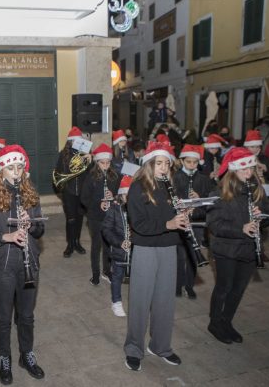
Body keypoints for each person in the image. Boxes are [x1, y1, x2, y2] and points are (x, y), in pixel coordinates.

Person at [0, 144, 45, 384]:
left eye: (20, 167)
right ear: (1, 172)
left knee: (27, 316)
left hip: (29, 264)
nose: (16, 173)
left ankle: (26, 355)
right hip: (3, 268)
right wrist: (6, 236)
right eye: (11, 168)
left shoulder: (31, 193)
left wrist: (31, 225)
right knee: (4, 318)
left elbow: (40, 229)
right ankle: (5, 358)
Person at [124, 142, 184, 372]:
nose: (163, 168)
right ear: (149, 164)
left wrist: (185, 213)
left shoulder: (173, 185)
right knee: (140, 300)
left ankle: (161, 346)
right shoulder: (137, 187)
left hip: (169, 246)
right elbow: (138, 224)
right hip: (146, 248)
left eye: (167, 163)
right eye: (159, 163)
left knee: (165, 301)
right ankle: (133, 349)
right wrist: (167, 223)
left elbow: (175, 213)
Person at [206, 147, 269, 344]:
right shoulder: (219, 192)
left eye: (250, 168)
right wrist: (240, 229)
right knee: (224, 287)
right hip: (226, 249)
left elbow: (268, 214)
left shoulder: (256, 187)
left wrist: (262, 217)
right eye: (244, 169)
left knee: (238, 289)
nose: (248, 173)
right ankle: (215, 323)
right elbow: (214, 225)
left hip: (249, 248)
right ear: (234, 170)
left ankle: (227, 321)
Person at [173, 145, 212, 299]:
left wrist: (198, 199)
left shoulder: (203, 179)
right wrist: (182, 207)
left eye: (195, 162)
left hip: (196, 222)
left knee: (193, 256)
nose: (191, 165)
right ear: (182, 161)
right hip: (180, 221)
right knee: (180, 256)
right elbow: (171, 200)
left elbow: (209, 202)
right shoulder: (175, 177)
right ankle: (177, 285)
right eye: (188, 162)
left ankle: (189, 285)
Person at [81, 144, 120, 285]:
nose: (105, 166)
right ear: (97, 162)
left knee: (108, 245)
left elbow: (119, 195)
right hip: (95, 217)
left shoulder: (114, 176)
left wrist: (113, 195)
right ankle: (95, 274)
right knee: (96, 246)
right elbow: (84, 198)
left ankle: (107, 271)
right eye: (102, 163)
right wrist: (98, 204)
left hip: (109, 216)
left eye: (108, 163)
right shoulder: (90, 177)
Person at [54, 126, 91, 258]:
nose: (77, 144)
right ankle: (70, 244)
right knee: (71, 219)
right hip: (69, 192)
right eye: (74, 141)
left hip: (81, 192)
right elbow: (57, 172)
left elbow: (90, 174)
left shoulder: (85, 154)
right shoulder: (63, 154)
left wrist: (89, 160)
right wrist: (61, 188)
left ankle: (77, 242)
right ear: (70, 142)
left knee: (80, 218)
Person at [102, 175, 133, 317]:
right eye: (126, 195)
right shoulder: (114, 209)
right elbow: (107, 230)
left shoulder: (138, 208)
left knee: (137, 277)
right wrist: (119, 242)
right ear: (121, 194)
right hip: (119, 250)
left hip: (134, 251)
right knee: (117, 277)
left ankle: (136, 301)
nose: (129, 198)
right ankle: (116, 302)